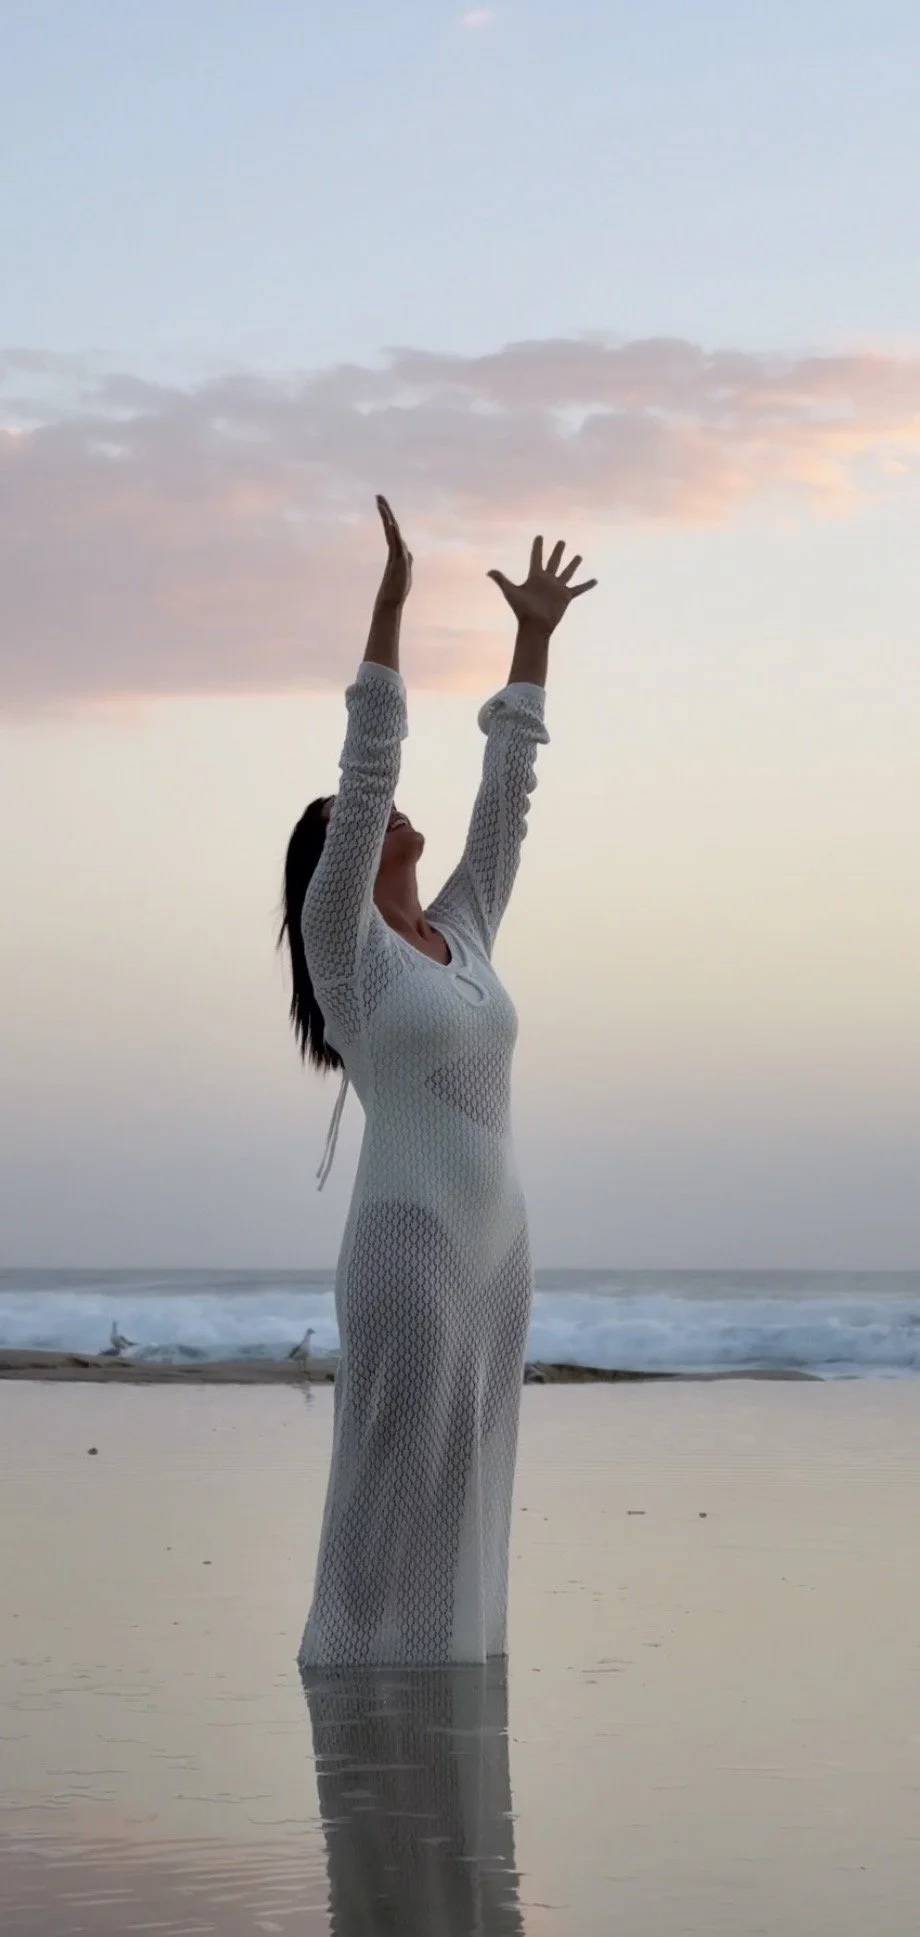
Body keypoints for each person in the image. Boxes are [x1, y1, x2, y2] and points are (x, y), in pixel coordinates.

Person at [279, 495, 596, 1666]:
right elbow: (364, 779)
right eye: (351, 830)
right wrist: (389, 607)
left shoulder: (462, 931)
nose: (380, 819)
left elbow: (505, 802)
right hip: (407, 1236)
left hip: (499, 1240)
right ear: (332, 868)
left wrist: (534, 642)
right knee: (394, 1465)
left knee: (471, 1474)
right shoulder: (347, 954)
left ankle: (446, 1700)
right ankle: (357, 1679)